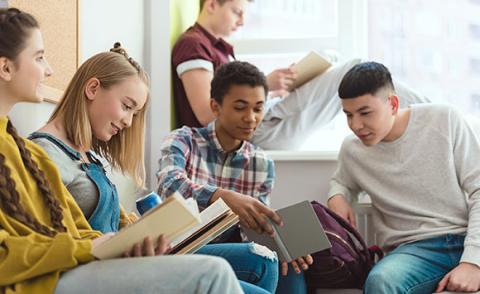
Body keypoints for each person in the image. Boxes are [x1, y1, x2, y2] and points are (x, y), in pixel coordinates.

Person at [0, 7, 244, 294]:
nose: (50, 70)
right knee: (213, 273)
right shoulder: (41, 151)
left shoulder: (26, 152)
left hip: (70, 266)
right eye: (39, 57)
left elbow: (74, 229)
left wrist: (123, 242)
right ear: (5, 67)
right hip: (45, 279)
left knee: (247, 265)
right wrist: (91, 247)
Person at [29, 42, 277, 293]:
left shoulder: (86, 155)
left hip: (118, 259)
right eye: (127, 106)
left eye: (134, 113)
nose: (127, 122)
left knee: (264, 262)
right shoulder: (44, 154)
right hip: (97, 267)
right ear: (92, 88)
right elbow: (48, 238)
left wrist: (138, 231)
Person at [172, 0, 430, 150]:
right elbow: (207, 115)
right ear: (212, 4)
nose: (241, 22)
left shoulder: (218, 50)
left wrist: (280, 87)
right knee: (356, 67)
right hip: (257, 132)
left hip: (264, 123)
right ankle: (431, 112)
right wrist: (266, 85)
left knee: (334, 60)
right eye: (237, 12)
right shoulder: (194, 45)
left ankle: (428, 115)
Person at [158, 60, 313, 294]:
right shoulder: (184, 139)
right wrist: (220, 197)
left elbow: (254, 227)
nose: (251, 118)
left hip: (235, 249)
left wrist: (281, 243)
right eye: (240, 107)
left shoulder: (262, 163)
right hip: (183, 247)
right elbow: (168, 184)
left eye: (258, 108)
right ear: (215, 106)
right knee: (261, 259)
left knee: (291, 267)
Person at [327, 61, 480, 293]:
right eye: (348, 115)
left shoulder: (444, 119)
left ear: (393, 104)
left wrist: (472, 262)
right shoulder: (352, 149)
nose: (356, 125)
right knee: (380, 281)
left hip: (463, 236)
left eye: (365, 113)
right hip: (412, 252)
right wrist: (337, 196)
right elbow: (341, 181)